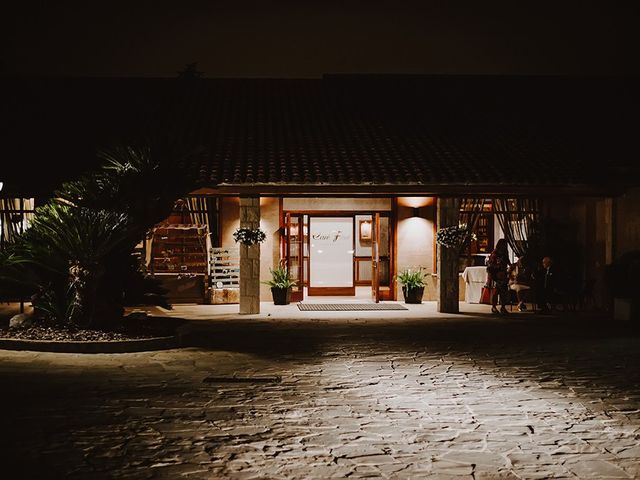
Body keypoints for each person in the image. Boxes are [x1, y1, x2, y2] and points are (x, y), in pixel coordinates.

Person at [486, 238, 511, 314]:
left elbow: (507, 261)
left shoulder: (505, 252)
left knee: (503, 292)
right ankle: (493, 307)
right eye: (503, 244)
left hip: (503, 275)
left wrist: (511, 266)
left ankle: (503, 307)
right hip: (495, 274)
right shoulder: (495, 253)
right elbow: (491, 264)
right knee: (495, 291)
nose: (504, 246)